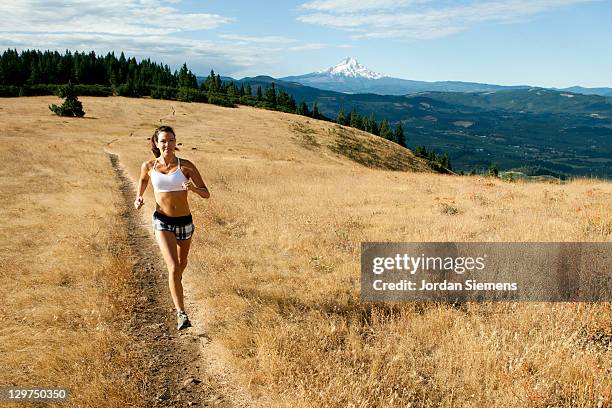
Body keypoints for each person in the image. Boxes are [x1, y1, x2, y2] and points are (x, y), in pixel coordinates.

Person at [134, 125, 210, 330]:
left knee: (181, 265)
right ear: (156, 144)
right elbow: (142, 182)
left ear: (176, 143)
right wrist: (138, 197)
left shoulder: (186, 166)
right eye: (163, 141)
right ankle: (181, 313)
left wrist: (192, 188)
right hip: (162, 220)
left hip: (185, 222)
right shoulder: (148, 166)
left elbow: (206, 193)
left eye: (171, 140)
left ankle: (176, 282)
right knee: (174, 266)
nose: (167, 144)